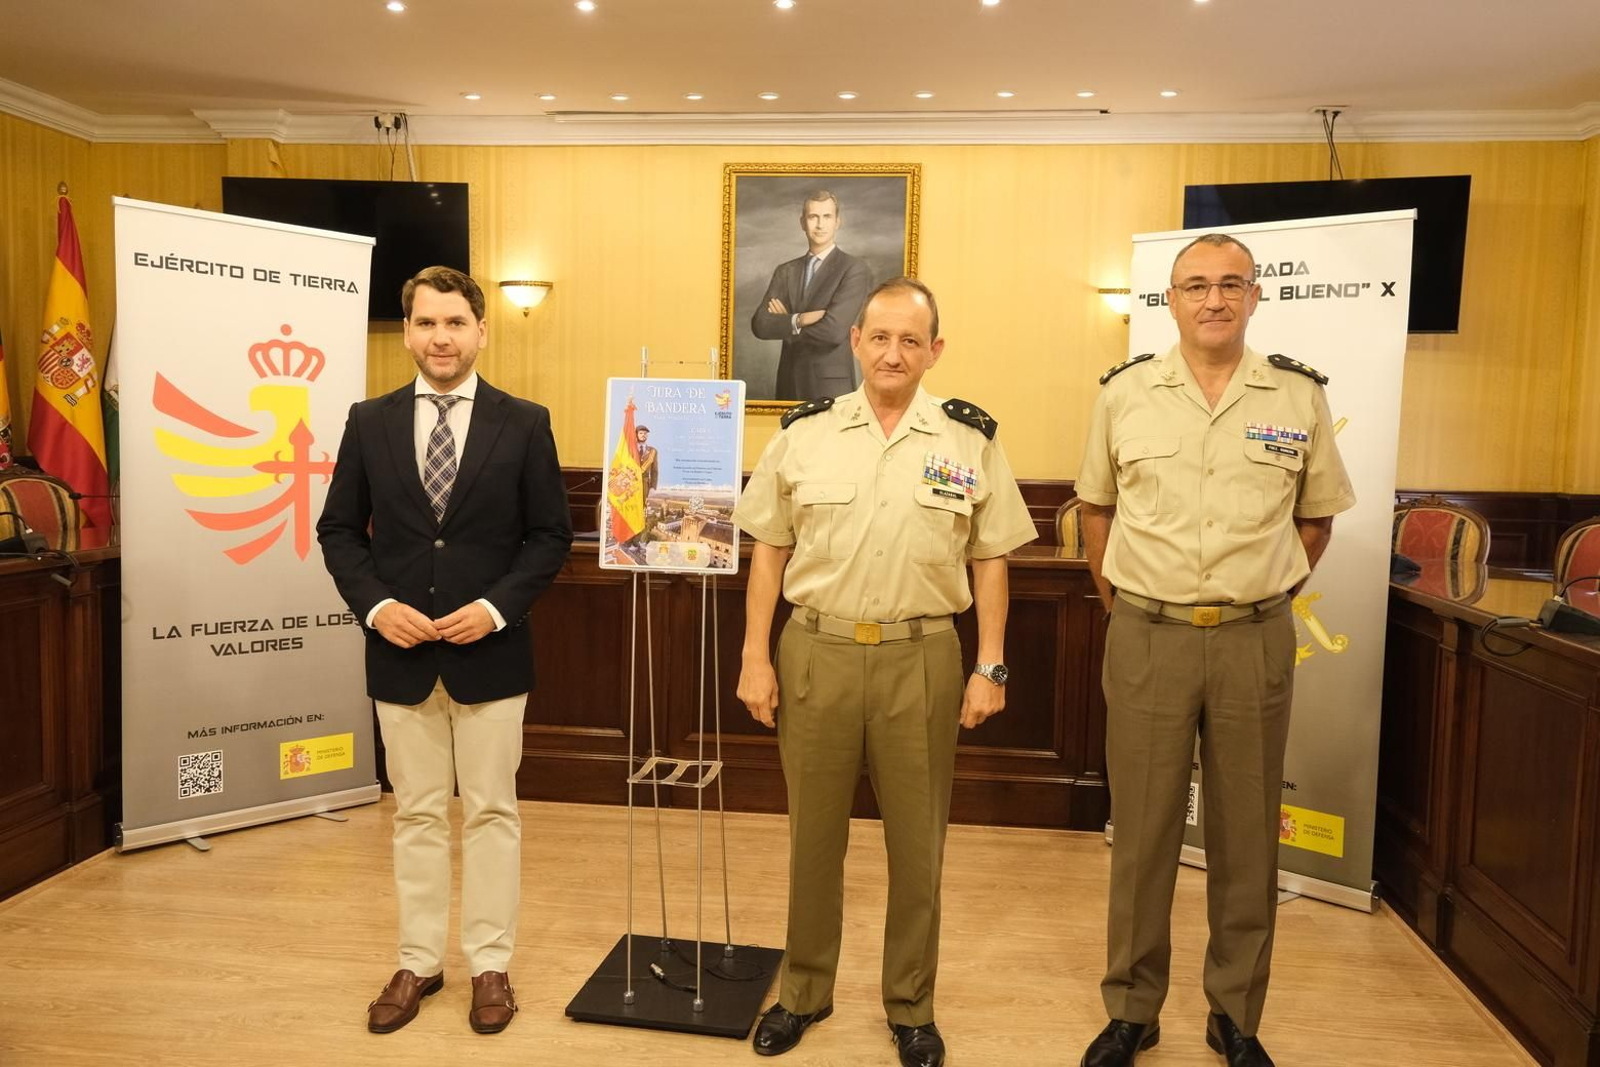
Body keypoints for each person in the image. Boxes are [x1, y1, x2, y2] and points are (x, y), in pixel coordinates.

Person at [734, 277, 1036, 1067]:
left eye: (912, 339)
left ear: (935, 350)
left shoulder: (969, 440)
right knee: (813, 838)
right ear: (854, 342)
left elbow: (991, 558)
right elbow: (768, 548)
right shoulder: (806, 433)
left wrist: (991, 664)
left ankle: (911, 1004)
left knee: (918, 843)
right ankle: (803, 989)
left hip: (924, 656)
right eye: (879, 337)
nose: (893, 352)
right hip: (816, 652)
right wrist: (754, 655)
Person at [1073, 234, 1355, 1067]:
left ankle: (1234, 1013)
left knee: (1245, 836)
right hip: (1147, 634)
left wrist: (1267, 590)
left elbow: (1318, 516)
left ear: (1256, 295)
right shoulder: (1125, 396)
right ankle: (1132, 1008)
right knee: (1144, 834)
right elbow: (1097, 508)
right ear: (1170, 300)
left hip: (1252, 641)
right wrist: (1117, 600)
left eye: (1231, 283)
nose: (1214, 299)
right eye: (1195, 285)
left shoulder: (1297, 396)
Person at [316, 265, 573, 1037]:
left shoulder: (524, 422)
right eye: (426, 323)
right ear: (408, 332)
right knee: (416, 816)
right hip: (399, 655)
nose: (440, 337)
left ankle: (490, 964)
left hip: (490, 657)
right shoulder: (369, 421)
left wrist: (495, 608)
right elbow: (337, 530)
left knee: (493, 812)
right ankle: (420, 961)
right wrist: (378, 605)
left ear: (480, 331)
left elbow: (549, 536)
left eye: (455, 323)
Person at [750, 190, 873, 401]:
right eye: (813, 217)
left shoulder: (854, 269)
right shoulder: (785, 271)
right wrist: (801, 319)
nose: (820, 225)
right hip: (788, 384)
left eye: (827, 217)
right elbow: (760, 325)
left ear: (837, 222)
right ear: (802, 222)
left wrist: (786, 323)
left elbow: (833, 331)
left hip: (831, 390)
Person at [636, 424, 659, 493]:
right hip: (632, 483)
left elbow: (654, 471)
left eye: (645, 433)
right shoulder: (630, 449)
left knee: (644, 503)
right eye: (641, 433)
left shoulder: (652, 451)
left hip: (645, 484)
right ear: (636, 434)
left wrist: (653, 487)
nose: (643, 435)